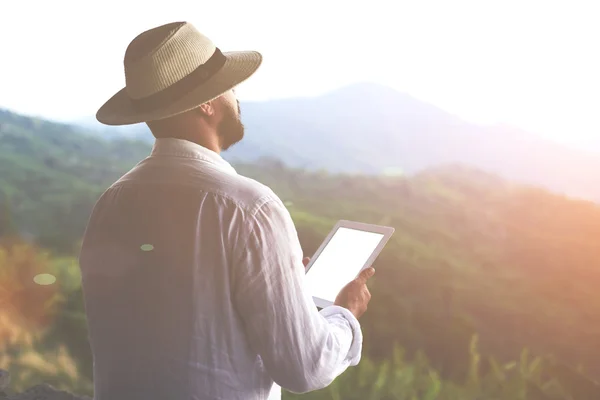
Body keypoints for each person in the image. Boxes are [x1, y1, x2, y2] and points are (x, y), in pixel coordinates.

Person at [79, 21, 375, 400]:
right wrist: (344, 314)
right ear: (207, 103)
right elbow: (304, 366)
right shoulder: (251, 208)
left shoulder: (110, 203)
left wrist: (283, 287)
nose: (236, 97)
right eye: (231, 87)